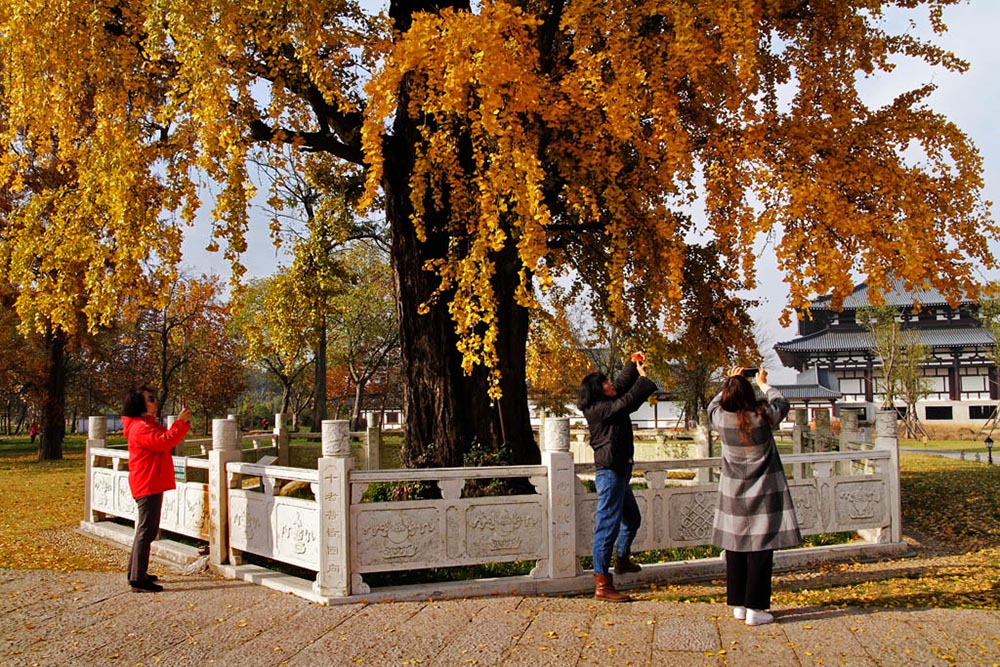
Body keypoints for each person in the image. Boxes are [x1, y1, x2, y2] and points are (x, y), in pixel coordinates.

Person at [708, 367, 801, 626]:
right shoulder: (762, 417)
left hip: (733, 493)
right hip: (763, 491)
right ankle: (756, 609)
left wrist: (728, 381)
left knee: (735, 547)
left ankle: (738, 604)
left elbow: (711, 406)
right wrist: (763, 384)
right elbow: (782, 402)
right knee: (760, 550)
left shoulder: (721, 420)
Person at [577, 352, 657, 602]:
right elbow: (629, 401)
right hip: (610, 474)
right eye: (606, 383)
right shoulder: (599, 409)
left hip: (620, 473)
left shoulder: (606, 401)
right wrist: (643, 379)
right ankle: (602, 584)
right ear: (597, 391)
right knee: (607, 527)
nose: (611, 384)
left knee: (632, 519)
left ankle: (622, 560)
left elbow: (622, 386)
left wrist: (632, 364)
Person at [122, 385, 191, 593]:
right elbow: (164, 442)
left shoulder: (146, 424)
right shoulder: (140, 428)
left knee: (144, 530)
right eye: (150, 398)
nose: (154, 401)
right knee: (146, 530)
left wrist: (181, 423)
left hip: (148, 481)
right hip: (147, 482)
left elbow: (170, 435)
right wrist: (179, 422)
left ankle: (135, 572)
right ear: (140, 404)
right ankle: (137, 579)